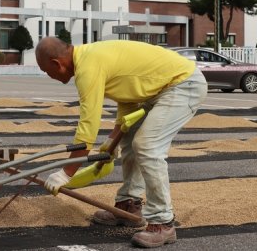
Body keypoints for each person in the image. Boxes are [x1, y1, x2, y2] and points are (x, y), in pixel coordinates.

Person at [35, 37, 207, 249]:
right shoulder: (89, 57)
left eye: (46, 71)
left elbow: (87, 127)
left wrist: (66, 172)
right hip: (160, 89)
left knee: (147, 145)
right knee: (130, 141)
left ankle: (163, 222)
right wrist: (112, 139)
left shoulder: (87, 68)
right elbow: (128, 98)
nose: (48, 75)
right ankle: (129, 206)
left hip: (183, 84)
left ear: (56, 63)